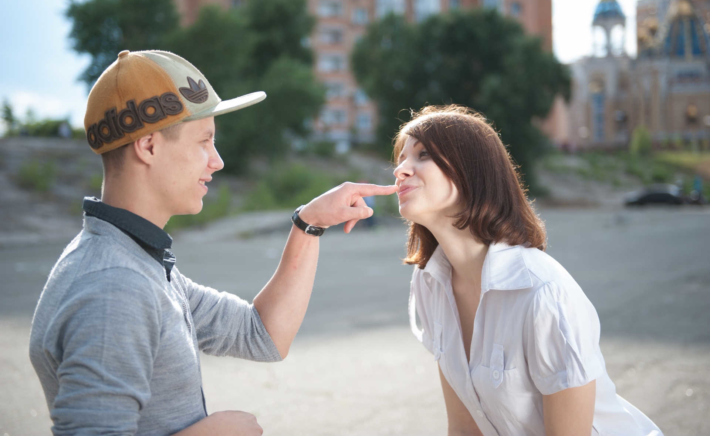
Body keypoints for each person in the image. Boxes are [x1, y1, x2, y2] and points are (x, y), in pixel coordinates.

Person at [28, 50, 397, 435]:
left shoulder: (136, 260)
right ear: (149, 146)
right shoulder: (114, 286)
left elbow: (263, 334)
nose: (217, 161)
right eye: (205, 141)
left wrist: (309, 223)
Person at [396, 106, 663, 436]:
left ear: (472, 171)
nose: (401, 170)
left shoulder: (543, 292)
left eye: (422, 155)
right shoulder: (429, 284)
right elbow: (465, 427)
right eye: (400, 159)